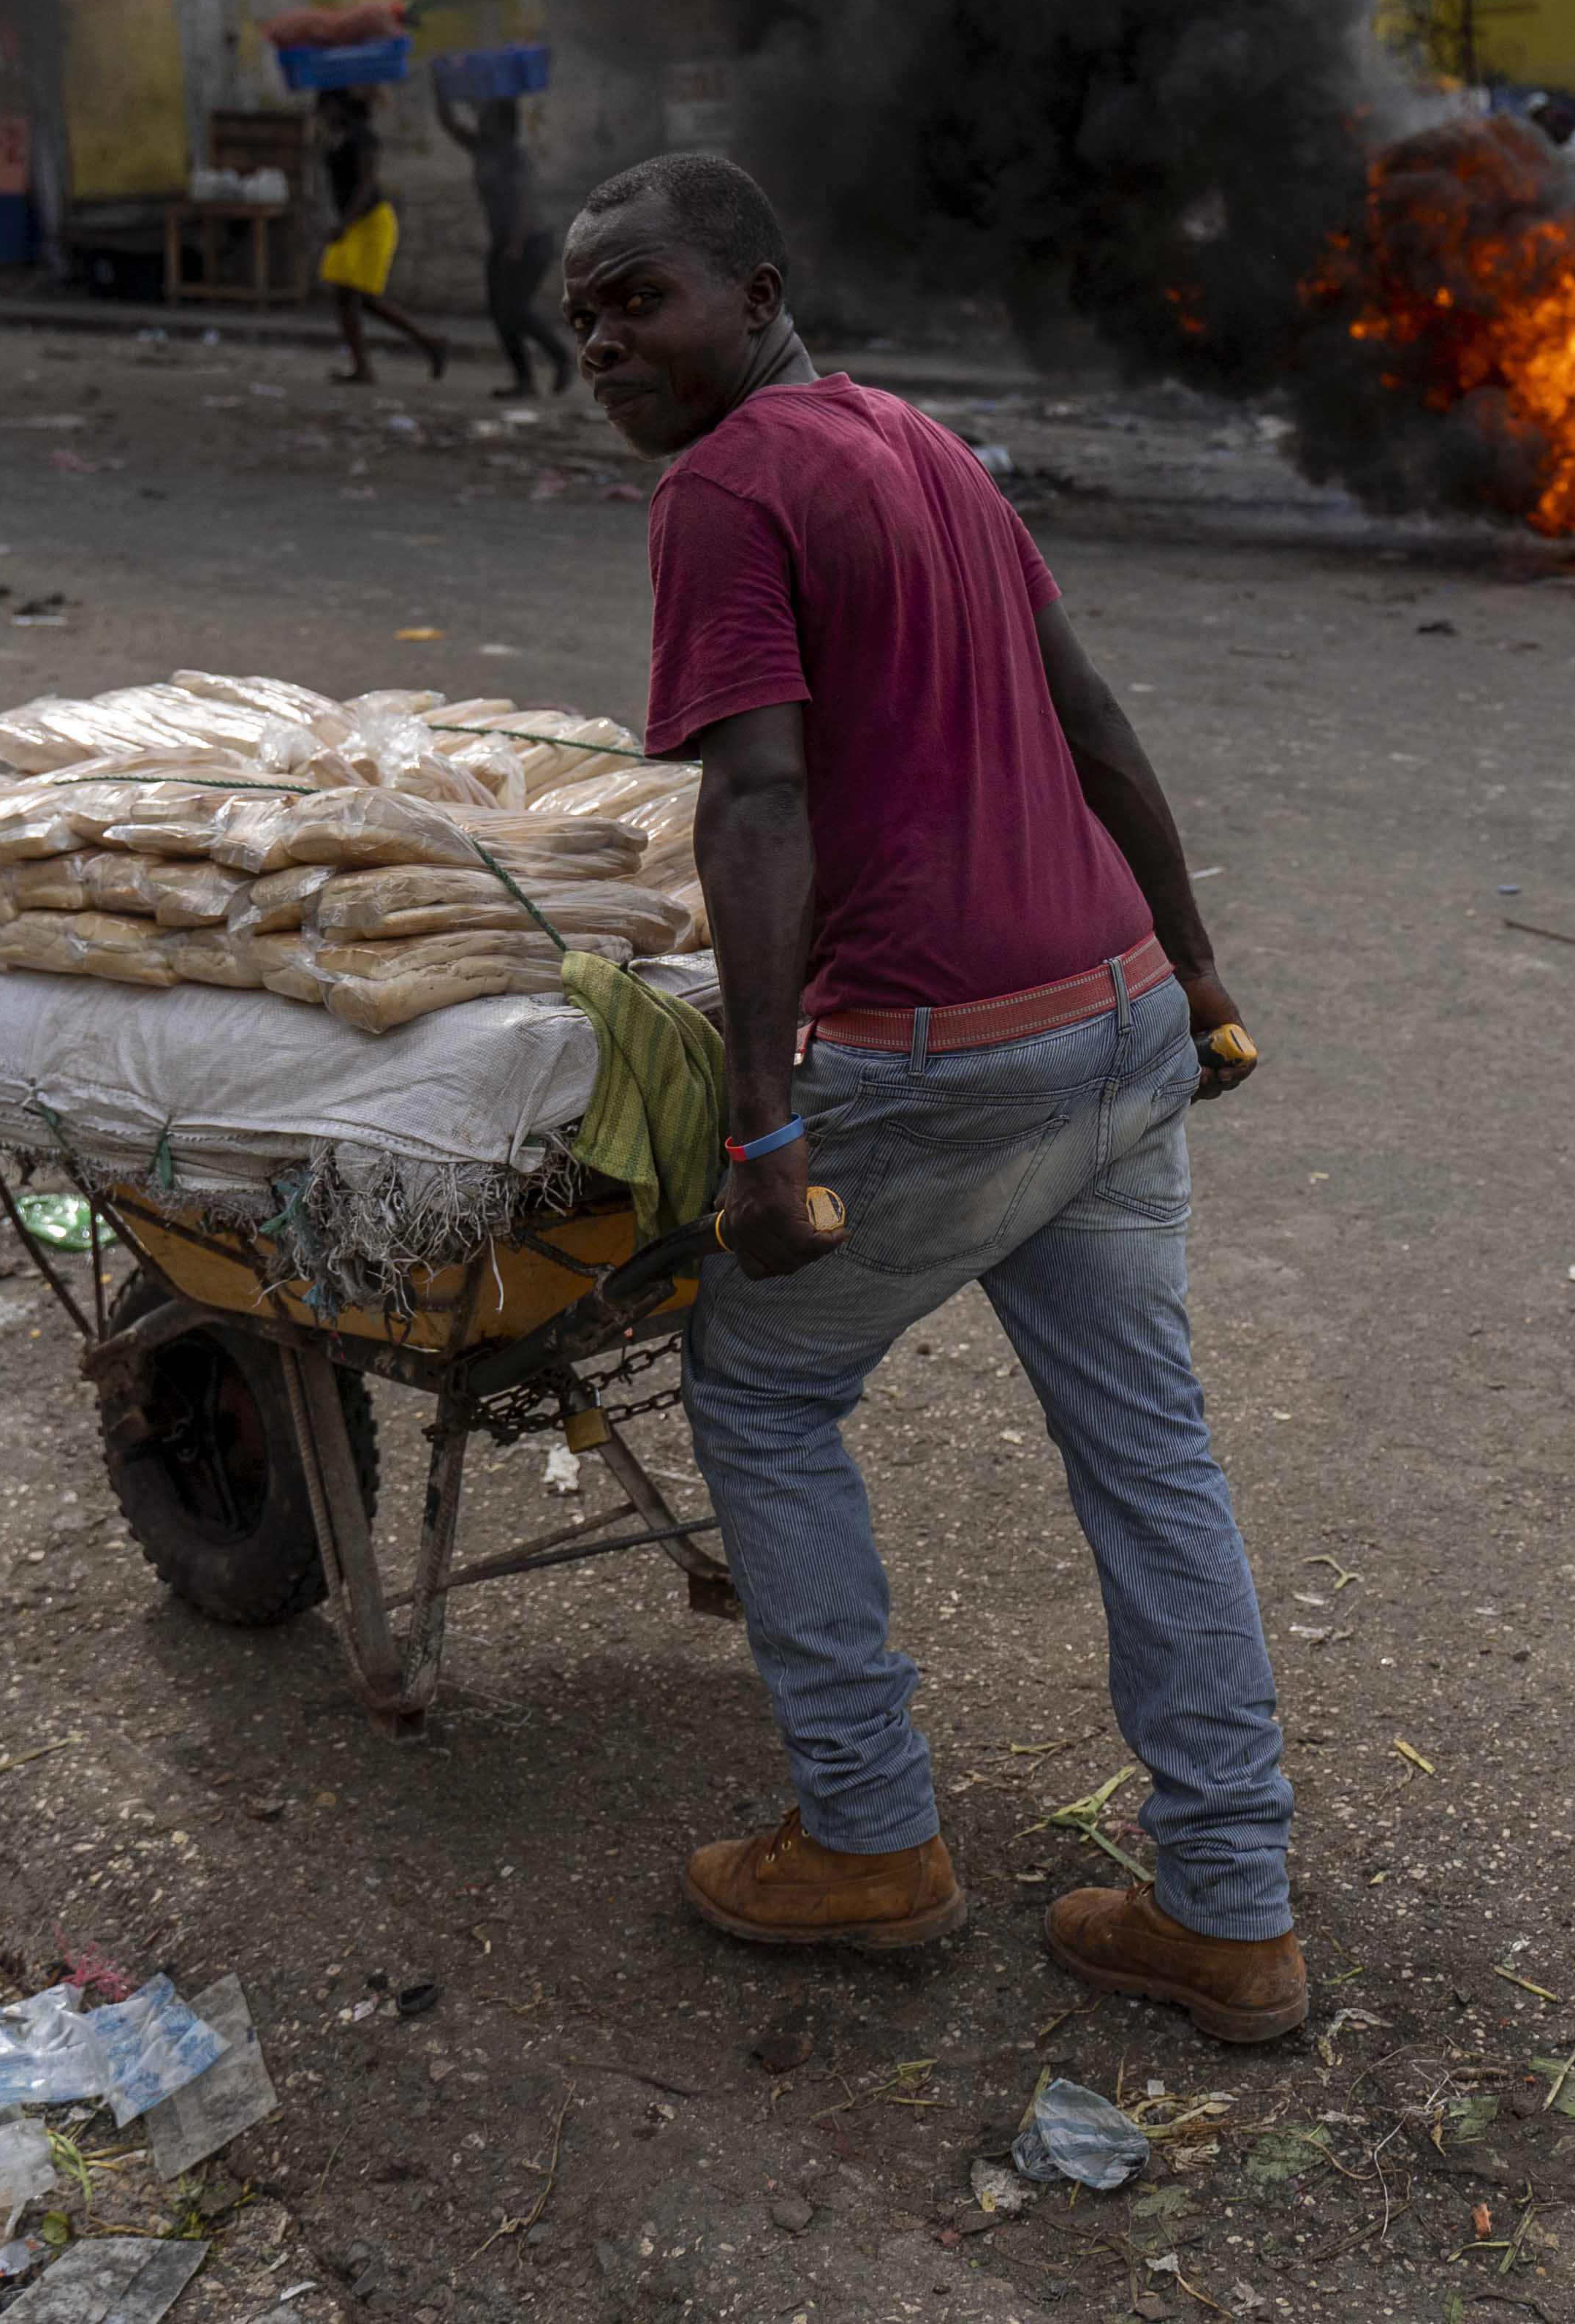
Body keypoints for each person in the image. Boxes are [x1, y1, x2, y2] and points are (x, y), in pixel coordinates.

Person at [566, 153, 1299, 2046]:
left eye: (637, 297)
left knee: (763, 1382)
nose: (602, 343)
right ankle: (1228, 1905)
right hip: (1117, 1018)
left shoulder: (727, 485)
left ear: (756, 286)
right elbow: (1095, 719)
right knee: (1151, 1452)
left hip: (941, 1057)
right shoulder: (923, 441)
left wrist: (764, 1131)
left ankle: (870, 1838)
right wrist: (1199, 974)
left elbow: (756, 802)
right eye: (578, 318)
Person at [433, 86, 567, 397]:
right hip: (505, 241)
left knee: (515, 309)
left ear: (505, 124)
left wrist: (516, 243)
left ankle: (560, 357)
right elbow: (448, 122)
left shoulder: (515, 156)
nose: (481, 122)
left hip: (530, 241)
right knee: (500, 312)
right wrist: (441, 85)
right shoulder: (483, 148)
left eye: (489, 118)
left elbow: (524, 201)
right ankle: (524, 380)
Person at [311, 87, 449, 385]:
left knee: (362, 297)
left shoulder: (364, 138)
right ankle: (369, 365)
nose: (321, 114)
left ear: (341, 107)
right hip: (353, 223)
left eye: (326, 107)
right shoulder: (338, 138)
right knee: (346, 296)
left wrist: (344, 223)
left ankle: (429, 343)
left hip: (371, 223)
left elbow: (366, 185)